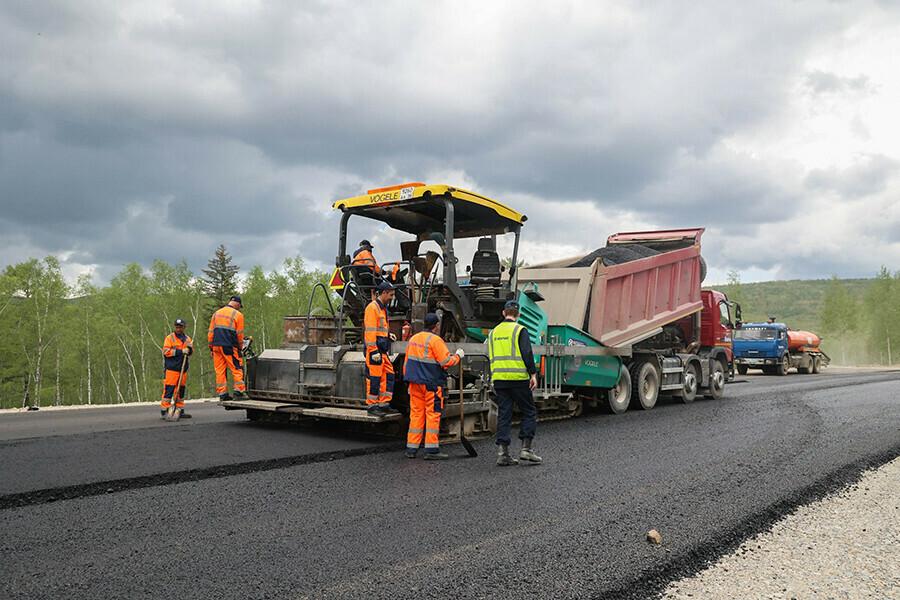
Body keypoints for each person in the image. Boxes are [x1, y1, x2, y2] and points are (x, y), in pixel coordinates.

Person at [487, 299, 541, 466]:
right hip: (518, 379)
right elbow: (526, 352)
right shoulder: (519, 330)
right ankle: (526, 449)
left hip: (500, 380)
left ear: (503, 313)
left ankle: (503, 453)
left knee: (504, 414)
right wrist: (532, 373)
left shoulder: (493, 332)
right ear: (518, 314)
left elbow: (490, 355)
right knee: (528, 410)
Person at [403, 312, 464, 460]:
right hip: (431, 384)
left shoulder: (413, 339)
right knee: (432, 415)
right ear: (437, 325)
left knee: (416, 415)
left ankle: (411, 449)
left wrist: (408, 380)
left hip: (414, 383)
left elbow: (407, 363)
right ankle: (431, 450)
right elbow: (445, 362)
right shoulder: (435, 341)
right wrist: (458, 356)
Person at [364, 281, 399, 416]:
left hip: (382, 350)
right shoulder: (373, 308)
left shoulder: (382, 308)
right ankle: (372, 406)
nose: (392, 298)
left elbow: (378, 329)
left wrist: (387, 335)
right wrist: (373, 350)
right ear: (384, 293)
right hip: (375, 351)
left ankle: (384, 404)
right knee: (374, 378)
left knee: (389, 375)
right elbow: (370, 331)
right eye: (391, 295)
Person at [208, 295, 246, 401]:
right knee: (237, 367)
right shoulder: (238, 315)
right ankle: (238, 391)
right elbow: (239, 334)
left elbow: (211, 333)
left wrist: (211, 348)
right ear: (237, 304)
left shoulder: (216, 313)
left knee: (220, 370)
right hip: (229, 346)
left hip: (216, 345)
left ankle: (223, 394)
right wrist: (240, 349)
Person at [162, 318, 194, 418]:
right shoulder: (170, 338)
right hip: (172, 368)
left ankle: (180, 410)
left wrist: (189, 350)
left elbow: (191, 352)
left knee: (180, 390)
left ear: (184, 327)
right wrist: (181, 351)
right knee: (169, 389)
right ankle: (165, 411)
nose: (178, 329)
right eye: (177, 327)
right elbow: (166, 352)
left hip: (182, 368)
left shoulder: (187, 339)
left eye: (180, 327)